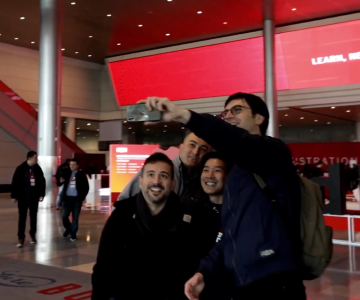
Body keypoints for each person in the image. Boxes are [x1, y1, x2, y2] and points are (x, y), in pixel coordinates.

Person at [141, 93, 305, 300]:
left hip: (275, 281)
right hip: (243, 283)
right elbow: (230, 232)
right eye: (225, 112)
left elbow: (240, 143)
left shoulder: (274, 152)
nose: (228, 115)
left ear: (259, 118)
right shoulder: (235, 173)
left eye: (237, 109)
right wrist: (204, 271)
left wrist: (184, 115)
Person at [92, 153, 198, 300]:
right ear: (140, 181)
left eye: (164, 176)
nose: (156, 181)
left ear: (173, 184)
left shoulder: (185, 220)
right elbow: (103, 268)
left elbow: (190, 269)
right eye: (150, 175)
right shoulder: (121, 216)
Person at [118, 131, 211, 204]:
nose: (196, 152)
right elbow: (124, 200)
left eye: (203, 149)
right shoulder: (159, 169)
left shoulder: (204, 180)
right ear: (181, 147)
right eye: (192, 145)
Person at [188, 152, 230, 300]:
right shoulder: (192, 210)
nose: (210, 175)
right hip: (196, 289)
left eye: (217, 170)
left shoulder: (237, 213)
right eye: (206, 169)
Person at [11, 151, 46, 248]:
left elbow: (42, 181)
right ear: (29, 158)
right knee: (22, 217)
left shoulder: (37, 169)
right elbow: (15, 182)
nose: (37, 159)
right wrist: (14, 196)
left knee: (33, 217)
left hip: (34, 197)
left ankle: (32, 235)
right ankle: (21, 237)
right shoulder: (21, 168)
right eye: (35, 158)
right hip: (23, 197)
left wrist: (41, 194)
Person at [60, 158, 89, 241]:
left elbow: (86, 187)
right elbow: (59, 182)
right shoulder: (67, 173)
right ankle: (69, 229)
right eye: (70, 165)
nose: (71, 166)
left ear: (77, 165)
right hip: (66, 199)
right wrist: (60, 180)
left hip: (76, 199)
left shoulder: (81, 175)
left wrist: (81, 197)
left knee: (75, 218)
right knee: (64, 216)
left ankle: (73, 234)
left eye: (73, 165)